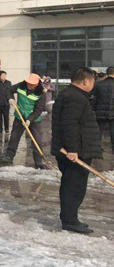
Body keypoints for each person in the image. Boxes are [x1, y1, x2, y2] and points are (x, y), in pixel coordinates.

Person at [51, 67, 102, 234]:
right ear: (86, 81)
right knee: (74, 186)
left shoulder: (69, 95)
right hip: (75, 151)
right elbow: (69, 124)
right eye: (93, 81)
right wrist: (72, 149)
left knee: (72, 185)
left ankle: (70, 217)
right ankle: (69, 220)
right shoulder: (75, 97)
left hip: (75, 149)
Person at [0, 74, 47, 167]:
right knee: (14, 136)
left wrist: (29, 120)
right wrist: (10, 98)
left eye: (32, 84)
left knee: (36, 139)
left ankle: (38, 161)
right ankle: (9, 156)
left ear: (37, 84)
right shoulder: (21, 85)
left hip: (34, 120)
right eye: (29, 83)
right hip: (20, 115)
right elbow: (8, 90)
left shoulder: (41, 93)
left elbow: (38, 110)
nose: (29, 85)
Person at [92, 66, 114, 151]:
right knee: (113, 131)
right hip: (113, 111)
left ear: (106, 74)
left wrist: (94, 109)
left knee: (99, 130)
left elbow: (94, 98)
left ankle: (97, 148)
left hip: (100, 111)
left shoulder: (98, 84)